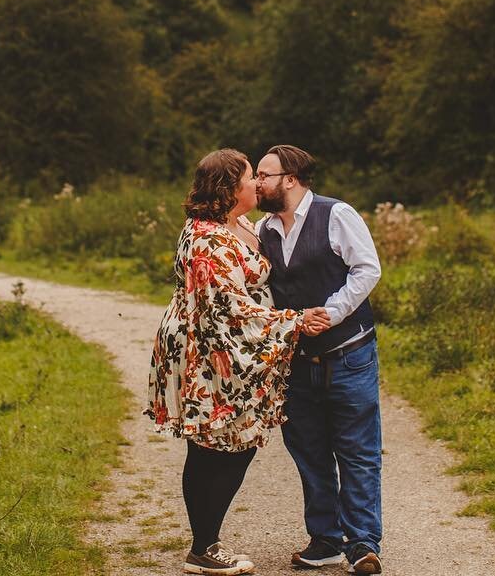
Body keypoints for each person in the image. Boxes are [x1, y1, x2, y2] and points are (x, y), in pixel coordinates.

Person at [147, 148, 330, 575]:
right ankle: (204, 546)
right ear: (230, 188)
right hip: (212, 351)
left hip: (232, 352)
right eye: (251, 178)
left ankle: (205, 542)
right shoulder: (207, 239)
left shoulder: (239, 224)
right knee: (215, 447)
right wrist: (296, 320)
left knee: (234, 446)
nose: (258, 184)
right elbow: (230, 310)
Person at [255, 144, 384, 574]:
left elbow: (367, 269)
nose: (257, 182)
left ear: (289, 179)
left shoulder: (337, 214)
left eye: (264, 175)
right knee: (309, 452)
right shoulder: (263, 229)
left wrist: (330, 313)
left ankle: (363, 543)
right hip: (296, 362)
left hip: (349, 354)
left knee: (357, 452)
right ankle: (326, 540)